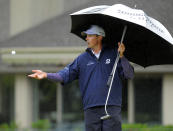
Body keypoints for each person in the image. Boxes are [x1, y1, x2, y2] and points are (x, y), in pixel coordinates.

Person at [28, 25, 134, 131]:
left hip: (111, 107)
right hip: (91, 109)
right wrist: (46, 75)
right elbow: (64, 76)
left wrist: (121, 56)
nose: (86, 38)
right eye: (86, 36)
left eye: (90, 35)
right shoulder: (81, 59)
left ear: (99, 37)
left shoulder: (114, 54)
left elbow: (129, 74)